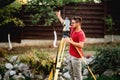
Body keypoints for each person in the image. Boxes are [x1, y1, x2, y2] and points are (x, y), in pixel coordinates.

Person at [56, 11, 86, 80]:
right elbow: (64, 23)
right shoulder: (73, 28)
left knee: (77, 75)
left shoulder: (81, 33)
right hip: (70, 54)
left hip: (76, 57)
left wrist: (70, 41)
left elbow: (81, 45)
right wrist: (59, 16)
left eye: (73, 23)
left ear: (78, 23)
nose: (71, 24)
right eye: (71, 23)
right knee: (71, 73)